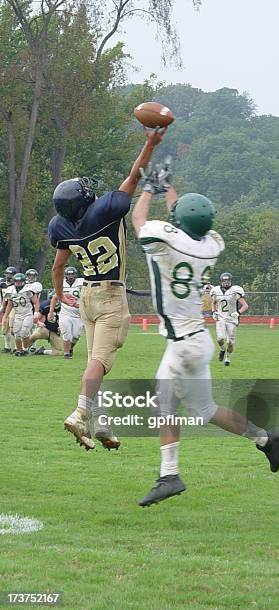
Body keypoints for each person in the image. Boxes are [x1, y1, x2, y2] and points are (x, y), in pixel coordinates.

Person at [132, 166, 279, 507]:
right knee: (204, 409)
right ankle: (265, 438)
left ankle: (169, 475)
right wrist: (169, 188)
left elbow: (139, 221)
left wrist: (148, 188)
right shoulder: (212, 245)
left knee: (165, 403)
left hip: (183, 343)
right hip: (198, 337)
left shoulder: (167, 242)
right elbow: (184, 221)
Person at [48, 127, 167, 451]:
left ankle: (101, 425)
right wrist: (150, 143)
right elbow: (133, 176)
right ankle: (80, 412)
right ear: (86, 199)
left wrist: (59, 295)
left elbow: (58, 266)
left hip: (85, 294)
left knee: (93, 365)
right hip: (111, 295)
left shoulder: (61, 227)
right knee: (99, 362)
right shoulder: (104, 212)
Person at [211, 273, 248, 366]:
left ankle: (227, 358)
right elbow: (213, 303)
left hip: (232, 319)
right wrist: (214, 312)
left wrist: (238, 313)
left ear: (230, 281)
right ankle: (222, 350)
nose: (226, 282)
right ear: (221, 281)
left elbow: (245, 305)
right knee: (220, 339)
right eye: (224, 280)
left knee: (230, 342)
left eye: (228, 280)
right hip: (221, 318)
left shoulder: (235, 291)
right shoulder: (216, 291)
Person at [49, 266, 84, 359]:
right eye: (69, 274)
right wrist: (51, 312)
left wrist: (80, 305)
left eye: (72, 274)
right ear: (65, 276)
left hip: (79, 314)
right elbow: (54, 297)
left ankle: (70, 348)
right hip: (65, 313)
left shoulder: (82, 283)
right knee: (66, 332)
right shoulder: (61, 283)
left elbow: (88, 298)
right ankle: (66, 354)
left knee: (76, 336)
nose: (71, 276)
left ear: (76, 275)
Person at [2, 273, 40, 356]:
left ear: (23, 281)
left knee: (24, 332)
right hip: (18, 314)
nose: (18, 283)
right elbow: (10, 304)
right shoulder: (10, 290)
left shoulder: (28, 289)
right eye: (17, 281)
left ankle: (25, 348)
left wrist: (36, 312)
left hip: (28, 313)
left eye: (20, 281)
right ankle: (19, 351)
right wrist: (5, 316)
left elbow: (36, 302)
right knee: (17, 335)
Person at [26, 291, 63, 356]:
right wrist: (39, 323)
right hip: (45, 329)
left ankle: (42, 351)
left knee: (58, 352)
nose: (56, 302)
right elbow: (36, 319)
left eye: (57, 299)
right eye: (54, 299)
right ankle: (23, 349)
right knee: (32, 338)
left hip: (55, 333)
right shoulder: (46, 306)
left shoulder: (64, 306)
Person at [0, 266, 17, 353]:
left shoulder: (17, 284)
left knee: (13, 328)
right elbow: (2, 296)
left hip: (14, 307)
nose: (9, 276)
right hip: (5, 306)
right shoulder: (2, 283)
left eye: (11, 274)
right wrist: (2, 306)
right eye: (7, 273)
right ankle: (7, 347)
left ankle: (16, 347)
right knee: (4, 328)